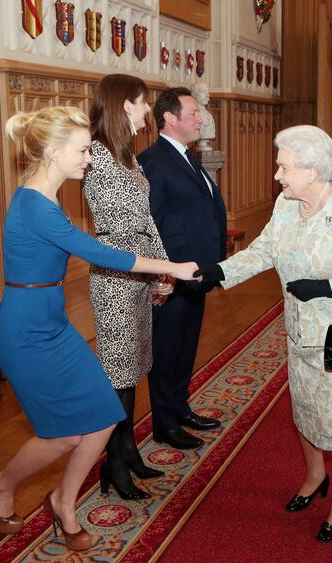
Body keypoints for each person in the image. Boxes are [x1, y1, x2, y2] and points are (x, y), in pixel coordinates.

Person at [0, 106, 199, 552]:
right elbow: (102, 253)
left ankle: (63, 499)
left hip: (53, 325)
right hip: (25, 333)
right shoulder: (33, 204)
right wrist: (171, 266)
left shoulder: (49, 196)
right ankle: (0, 485)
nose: (89, 158)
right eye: (82, 150)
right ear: (53, 151)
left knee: (105, 414)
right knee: (62, 433)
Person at [196, 125, 332, 542]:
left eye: (283, 166)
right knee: (304, 409)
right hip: (298, 331)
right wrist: (219, 272)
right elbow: (265, 250)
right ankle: (314, 475)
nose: (277, 175)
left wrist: (328, 287)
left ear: (310, 169)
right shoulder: (287, 204)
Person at [82, 74, 171, 500]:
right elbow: (120, 230)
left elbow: (146, 221)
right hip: (116, 280)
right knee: (118, 375)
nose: (148, 111)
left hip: (136, 276)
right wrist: (160, 268)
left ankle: (128, 450)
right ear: (123, 105)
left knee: (133, 369)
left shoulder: (126, 156)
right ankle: (113, 465)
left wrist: (160, 270)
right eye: (143, 103)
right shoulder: (97, 156)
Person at [137, 87, 227, 450]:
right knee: (166, 351)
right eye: (192, 112)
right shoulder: (153, 161)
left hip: (196, 276)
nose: (200, 118)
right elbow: (150, 223)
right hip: (171, 278)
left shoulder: (187, 157)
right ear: (169, 118)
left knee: (186, 346)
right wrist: (164, 274)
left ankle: (179, 406)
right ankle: (164, 422)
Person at [190, 81, 215, 148]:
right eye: (203, 91)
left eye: (207, 92)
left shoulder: (209, 115)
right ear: (194, 94)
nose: (207, 95)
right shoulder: (192, 115)